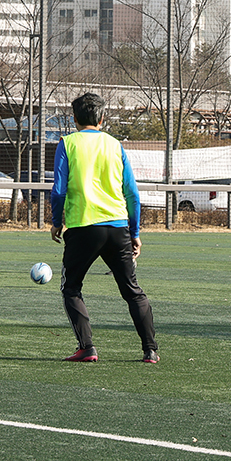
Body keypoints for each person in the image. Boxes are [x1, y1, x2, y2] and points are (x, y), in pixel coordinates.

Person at [49, 92, 158, 363]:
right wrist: (134, 233)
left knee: (71, 288)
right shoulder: (115, 145)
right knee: (132, 290)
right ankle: (150, 350)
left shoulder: (67, 143)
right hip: (117, 226)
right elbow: (132, 193)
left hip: (83, 226)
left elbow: (58, 190)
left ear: (74, 119)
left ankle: (87, 347)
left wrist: (56, 222)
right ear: (102, 118)